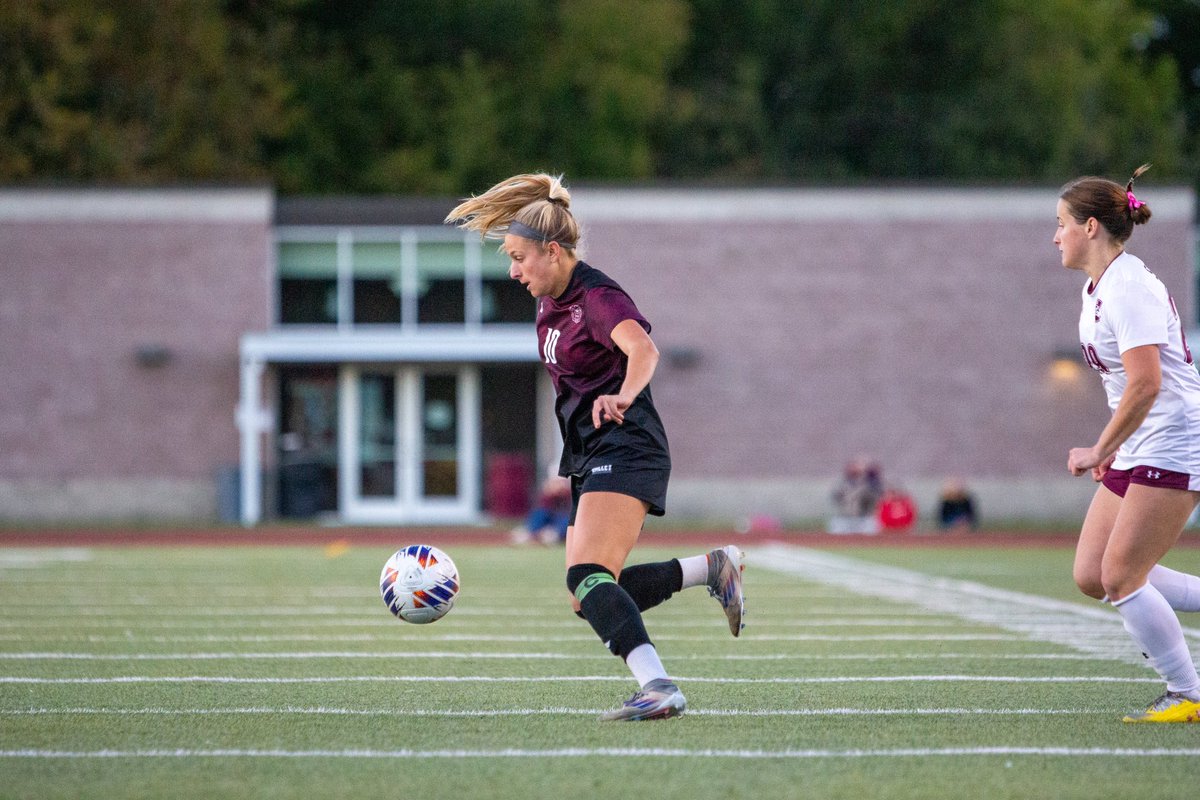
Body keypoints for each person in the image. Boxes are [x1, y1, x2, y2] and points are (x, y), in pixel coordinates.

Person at [446, 173, 745, 722]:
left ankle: (658, 686)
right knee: (587, 596)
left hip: (629, 444)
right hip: (590, 454)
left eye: (518, 257)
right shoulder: (548, 302)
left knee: (586, 577)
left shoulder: (598, 297)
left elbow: (644, 351)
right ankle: (711, 569)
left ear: (552, 251)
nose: (512, 270)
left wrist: (625, 395)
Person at [1058, 164, 1200, 723]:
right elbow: (1127, 384)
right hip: (1144, 438)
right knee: (1094, 573)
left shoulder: (1131, 284)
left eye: (1062, 223)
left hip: (1175, 439)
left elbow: (1147, 381)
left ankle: (1187, 694)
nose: (1056, 235)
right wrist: (1118, 443)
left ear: (1091, 227)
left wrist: (1099, 448)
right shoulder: (1099, 286)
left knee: (1121, 576)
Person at [511, 474, 572, 545]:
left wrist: (564, 492)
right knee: (539, 513)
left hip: (563, 517)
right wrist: (551, 493)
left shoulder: (570, 493)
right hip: (550, 516)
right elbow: (542, 505)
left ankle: (554, 533)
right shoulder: (548, 495)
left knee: (567, 519)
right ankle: (530, 531)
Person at [827, 458, 883, 534]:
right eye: (852, 467)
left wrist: (871, 474)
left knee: (869, 536)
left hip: (864, 517)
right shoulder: (842, 483)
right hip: (845, 517)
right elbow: (835, 496)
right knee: (838, 537)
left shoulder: (868, 483)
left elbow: (876, 493)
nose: (854, 470)